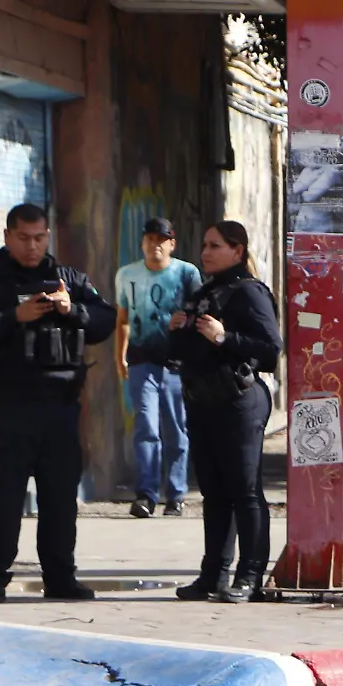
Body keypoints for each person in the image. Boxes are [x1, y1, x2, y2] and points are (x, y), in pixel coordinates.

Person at [0, 203, 116, 604]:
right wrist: (13, 316)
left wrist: (70, 309)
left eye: (39, 238)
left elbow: (105, 319)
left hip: (61, 408)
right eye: (23, 238)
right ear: (7, 236)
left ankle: (60, 580)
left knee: (60, 501)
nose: (32, 246)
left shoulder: (67, 279)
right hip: (13, 409)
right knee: (5, 499)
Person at [169, 220, 281, 604]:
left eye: (215, 245)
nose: (206, 251)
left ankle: (250, 575)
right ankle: (213, 575)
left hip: (239, 401)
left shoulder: (249, 292)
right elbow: (185, 352)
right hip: (203, 402)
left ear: (237, 250)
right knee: (214, 492)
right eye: (204, 244)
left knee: (245, 491)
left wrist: (224, 337)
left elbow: (270, 349)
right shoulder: (205, 292)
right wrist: (179, 331)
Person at [114, 216, 202, 519]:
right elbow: (123, 318)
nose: (155, 245)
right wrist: (119, 357)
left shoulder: (187, 274)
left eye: (161, 240)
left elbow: (201, 313)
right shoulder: (127, 275)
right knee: (146, 427)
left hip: (176, 363)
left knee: (177, 429)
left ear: (171, 244)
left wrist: (187, 324)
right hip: (141, 360)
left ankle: (175, 495)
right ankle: (146, 494)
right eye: (150, 239)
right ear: (142, 243)